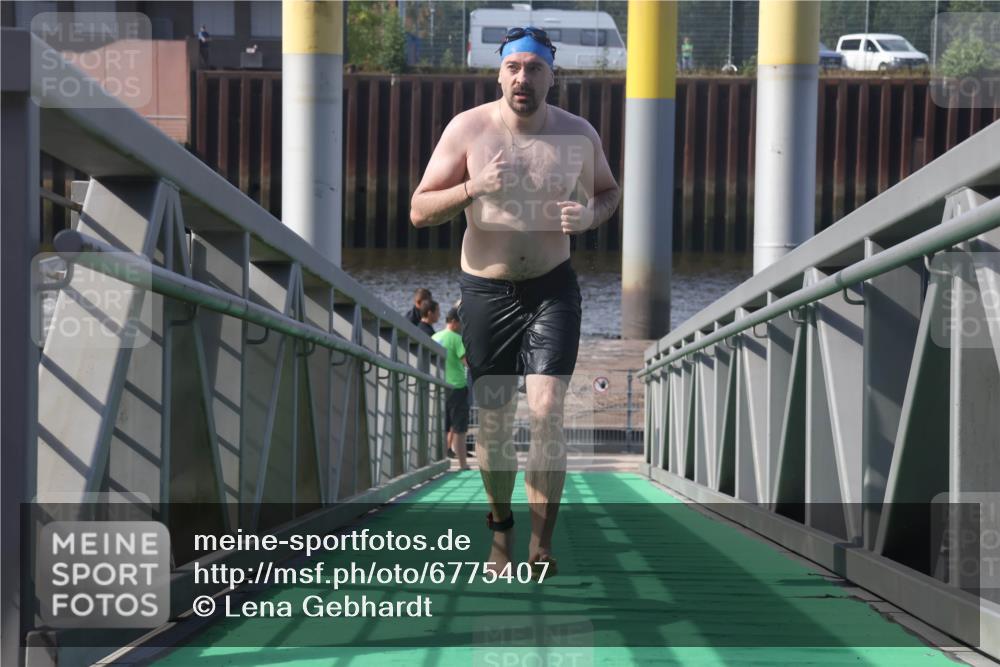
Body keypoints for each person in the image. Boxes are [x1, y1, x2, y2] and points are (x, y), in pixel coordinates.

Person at [410, 26, 620, 578]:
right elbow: (419, 209)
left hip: (552, 287)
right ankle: (502, 530)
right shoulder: (468, 129)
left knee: (548, 413)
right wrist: (472, 189)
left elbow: (609, 191)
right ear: (498, 72)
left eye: (535, 67)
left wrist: (590, 216)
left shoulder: (577, 134)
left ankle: (543, 544)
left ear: (553, 74)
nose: (523, 77)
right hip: (485, 291)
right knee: (497, 426)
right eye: (514, 67)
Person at [432, 309, 470, 471]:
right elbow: (466, 362)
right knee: (459, 427)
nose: (462, 326)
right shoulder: (456, 339)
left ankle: (438, 462)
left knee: (442, 425)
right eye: (461, 323)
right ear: (454, 322)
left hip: (438, 385)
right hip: (457, 386)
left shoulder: (435, 337)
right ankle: (462, 464)